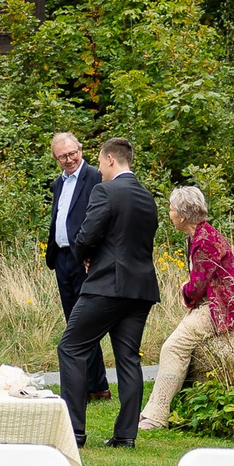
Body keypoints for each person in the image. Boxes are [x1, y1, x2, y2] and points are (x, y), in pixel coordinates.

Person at [57, 137, 161, 449]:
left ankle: (73, 431)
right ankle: (126, 435)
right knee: (128, 358)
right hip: (141, 288)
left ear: (111, 159)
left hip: (107, 284)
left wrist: (85, 254)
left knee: (71, 347)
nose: (99, 169)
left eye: (100, 162)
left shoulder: (105, 190)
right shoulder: (147, 197)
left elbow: (87, 235)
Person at [141, 184, 234, 432]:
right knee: (176, 344)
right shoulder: (200, 235)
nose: (168, 213)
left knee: (173, 347)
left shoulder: (205, 241)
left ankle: (157, 415)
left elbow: (198, 285)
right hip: (212, 302)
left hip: (220, 307)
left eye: (170, 209)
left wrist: (185, 294)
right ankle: (152, 411)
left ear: (181, 215)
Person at [44, 130, 112, 405]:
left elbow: (104, 219)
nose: (70, 159)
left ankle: (94, 385)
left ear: (80, 150)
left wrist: (93, 254)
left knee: (84, 324)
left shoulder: (96, 177)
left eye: (73, 153)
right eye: (63, 156)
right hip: (61, 259)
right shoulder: (59, 183)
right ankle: (94, 384)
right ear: (56, 158)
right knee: (74, 323)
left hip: (84, 260)